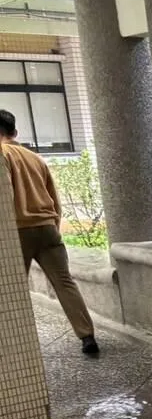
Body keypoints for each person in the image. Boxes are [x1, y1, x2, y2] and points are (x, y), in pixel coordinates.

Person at [1, 109, 98, 357]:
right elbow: (55, 200)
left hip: (17, 231)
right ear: (15, 132)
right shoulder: (37, 159)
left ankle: (16, 347)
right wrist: (53, 226)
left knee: (12, 290)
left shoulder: (2, 156)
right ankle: (87, 336)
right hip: (47, 228)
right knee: (65, 283)